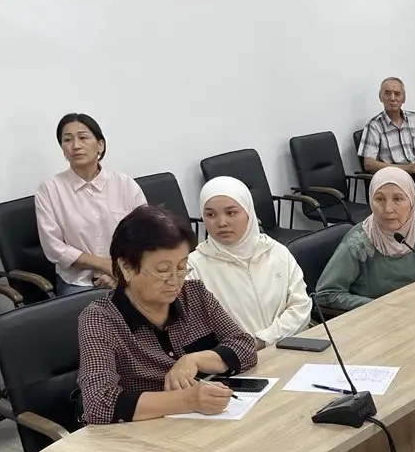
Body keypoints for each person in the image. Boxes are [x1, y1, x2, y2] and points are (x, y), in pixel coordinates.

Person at [77, 206, 258, 425]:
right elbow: (99, 403)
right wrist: (188, 400)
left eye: (182, 267)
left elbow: (245, 345)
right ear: (126, 267)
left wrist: (194, 360)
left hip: (205, 424)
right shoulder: (101, 319)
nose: (175, 280)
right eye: (163, 270)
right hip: (141, 434)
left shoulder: (195, 294)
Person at [188, 176, 311, 349]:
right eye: (210, 215)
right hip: (234, 360)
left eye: (231, 213)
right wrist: (242, 350)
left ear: (249, 213)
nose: (221, 223)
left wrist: (263, 340)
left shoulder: (277, 253)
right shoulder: (193, 268)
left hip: (288, 348)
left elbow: (301, 306)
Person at [34, 113, 147, 295]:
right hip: (78, 282)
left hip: (126, 272)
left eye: (83, 137)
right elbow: (53, 247)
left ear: (100, 145)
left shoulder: (124, 184)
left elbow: (145, 233)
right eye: (67, 140)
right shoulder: (50, 189)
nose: (76, 145)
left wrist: (118, 271)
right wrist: (104, 265)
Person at [314, 167, 415, 312]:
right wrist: (379, 306)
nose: (388, 209)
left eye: (398, 199)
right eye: (379, 199)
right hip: (375, 318)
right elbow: (325, 294)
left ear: (412, 201)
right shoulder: (358, 241)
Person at [358, 77, 415, 196]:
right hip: (394, 180)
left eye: (397, 94)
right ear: (380, 97)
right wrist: (406, 168)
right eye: (387, 93)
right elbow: (369, 164)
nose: (392, 98)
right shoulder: (374, 126)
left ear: (403, 98)